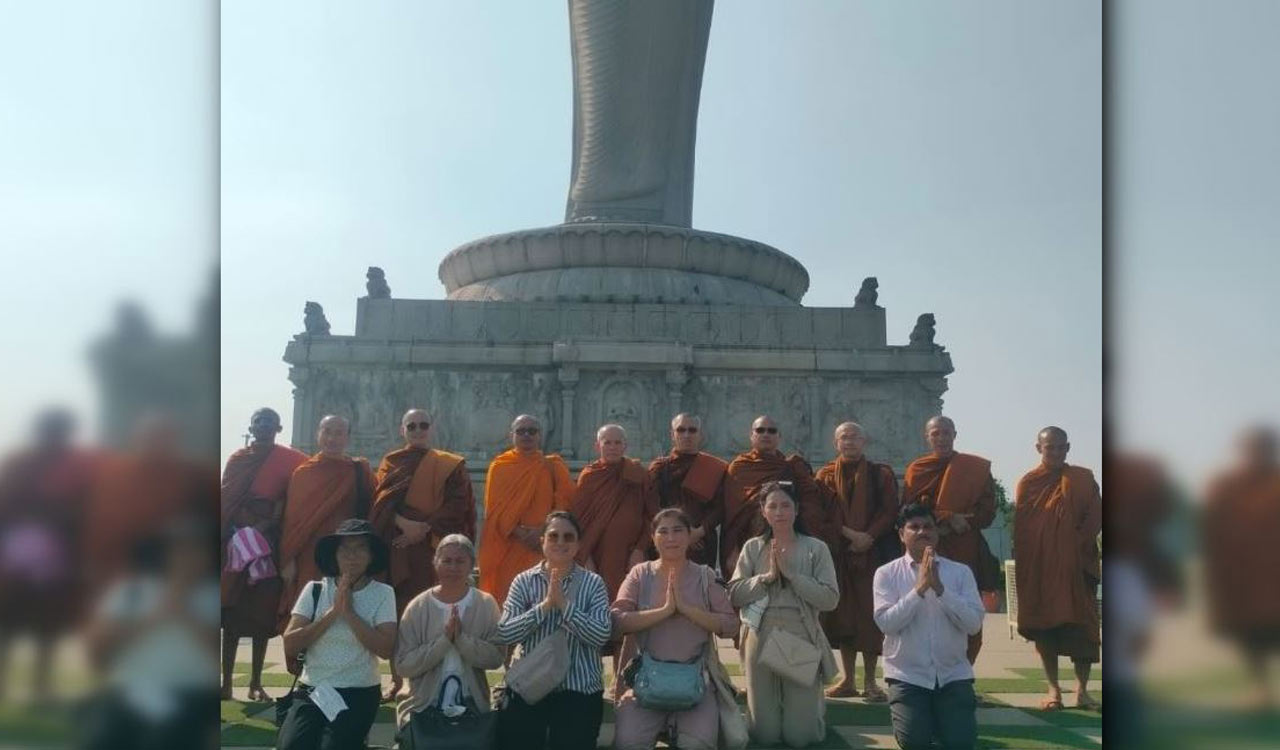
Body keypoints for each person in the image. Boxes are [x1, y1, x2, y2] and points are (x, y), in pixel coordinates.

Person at [79, 516, 221, 750]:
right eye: (180, 550)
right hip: (128, 695)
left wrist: (187, 615)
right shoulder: (131, 591)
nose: (187, 559)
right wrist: (152, 618)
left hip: (193, 699)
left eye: (196, 551)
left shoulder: (212, 595)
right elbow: (96, 652)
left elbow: (218, 658)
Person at [370, 408, 476, 701]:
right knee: (399, 615)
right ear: (402, 429)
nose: (418, 430)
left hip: (435, 551)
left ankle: (438, 676)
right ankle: (398, 679)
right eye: (411, 425)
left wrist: (424, 528)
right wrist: (405, 524)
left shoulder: (449, 464)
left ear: (432, 428)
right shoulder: (392, 462)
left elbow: (460, 505)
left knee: (434, 615)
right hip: (400, 548)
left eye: (423, 425)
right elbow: (380, 504)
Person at [612, 508, 738, 750]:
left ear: (690, 535)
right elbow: (617, 621)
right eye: (664, 531)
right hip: (647, 681)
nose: (671, 538)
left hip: (695, 681)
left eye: (678, 531)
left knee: (698, 744)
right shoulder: (640, 574)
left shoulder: (705, 576)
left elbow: (731, 625)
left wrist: (688, 610)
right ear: (653, 537)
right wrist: (664, 611)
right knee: (628, 743)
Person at [728, 481, 839, 748]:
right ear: (763, 511)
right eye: (773, 506)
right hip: (759, 630)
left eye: (786, 505)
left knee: (799, 738)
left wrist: (792, 576)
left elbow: (830, 599)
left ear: (797, 510)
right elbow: (734, 595)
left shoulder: (816, 548)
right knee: (764, 736)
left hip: (798, 631)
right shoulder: (753, 548)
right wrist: (765, 578)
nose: (779, 512)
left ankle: (812, 713)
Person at [0, 408, 98, 704]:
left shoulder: (75, 467)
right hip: (17, 554)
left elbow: (84, 508)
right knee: (9, 624)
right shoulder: (20, 463)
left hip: (58, 557)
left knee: (47, 628)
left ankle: (41, 689)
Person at [494, 511, 611, 750]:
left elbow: (600, 635)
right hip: (529, 686)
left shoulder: (593, 583)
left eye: (568, 537)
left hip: (578, 690)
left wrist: (565, 607)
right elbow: (505, 633)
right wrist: (545, 606)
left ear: (578, 544)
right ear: (542, 541)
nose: (560, 542)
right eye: (553, 536)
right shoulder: (523, 582)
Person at [276, 519, 397, 750]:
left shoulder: (383, 593)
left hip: (359, 690)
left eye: (360, 547)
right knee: (291, 746)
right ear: (335, 554)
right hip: (314, 689)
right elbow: (290, 644)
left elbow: (386, 648)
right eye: (345, 548)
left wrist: (349, 613)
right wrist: (333, 613)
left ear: (371, 555)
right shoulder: (315, 590)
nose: (352, 555)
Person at [873, 503, 985, 750]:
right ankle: (927, 722)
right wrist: (920, 590)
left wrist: (942, 590)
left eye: (928, 526)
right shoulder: (886, 574)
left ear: (937, 532)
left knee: (961, 743)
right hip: (907, 676)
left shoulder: (960, 573)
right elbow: (886, 624)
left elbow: (974, 625)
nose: (923, 532)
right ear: (901, 534)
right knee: (915, 742)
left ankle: (942, 721)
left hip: (953, 675)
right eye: (914, 527)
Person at [219, 407, 308, 701]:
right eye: (258, 420)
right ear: (252, 426)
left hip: (268, 544)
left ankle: (256, 682)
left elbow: (295, 498)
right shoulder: (238, 459)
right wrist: (238, 530)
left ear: (279, 428)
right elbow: (226, 499)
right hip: (236, 543)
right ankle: (226, 683)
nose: (263, 425)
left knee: (261, 617)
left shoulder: (292, 460)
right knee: (230, 617)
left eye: (269, 421)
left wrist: (267, 523)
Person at [1013, 426, 1101, 711]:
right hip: (1043, 571)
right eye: (1049, 447)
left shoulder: (1083, 478)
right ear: (1038, 448)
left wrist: (1073, 543)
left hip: (1078, 566)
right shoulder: (1029, 483)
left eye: (1061, 447)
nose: (1055, 452)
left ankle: (1083, 690)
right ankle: (1054, 690)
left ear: (1068, 448)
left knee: (1085, 630)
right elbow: (1024, 530)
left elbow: (1096, 515)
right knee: (1046, 629)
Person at [814, 421, 899, 701]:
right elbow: (822, 515)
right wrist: (850, 535)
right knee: (844, 618)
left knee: (871, 618)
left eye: (854, 437)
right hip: (840, 554)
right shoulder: (825, 476)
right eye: (843, 438)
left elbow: (889, 511)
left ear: (864, 442)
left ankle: (871, 682)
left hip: (872, 556)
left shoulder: (880, 474)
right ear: (835, 443)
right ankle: (848, 679)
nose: (849, 442)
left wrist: (868, 536)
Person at [901, 416, 995, 663]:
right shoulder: (917, 469)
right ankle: (926, 671)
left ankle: (964, 673)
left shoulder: (975, 469)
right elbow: (910, 510)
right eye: (935, 433)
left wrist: (965, 522)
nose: (941, 438)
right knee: (927, 606)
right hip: (928, 547)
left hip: (965, 546)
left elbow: (988, 512)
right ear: (927, 436)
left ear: (955, 434)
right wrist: (946, 517)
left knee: (965, 605)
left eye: (946, 433)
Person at [1203, 425, 1280, 711]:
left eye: (1263, 447)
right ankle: (1261, 689)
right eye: (1251, 449)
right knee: (1251, 637)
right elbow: (1213, 529)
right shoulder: (1227, 485)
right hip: (1245, 578)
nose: (1257, 454)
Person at [393, 533, 504, 730]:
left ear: (471, 565)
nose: (453, 568)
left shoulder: (485, 604)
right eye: (447, 561)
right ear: (435, 563)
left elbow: (496, 658)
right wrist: (444, 641)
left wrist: (461, 640)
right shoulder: (418, 607)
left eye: (460, 561)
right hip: (424, 704)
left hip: (472, 703)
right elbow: (403, 665)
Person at [572, 424, 659, 673]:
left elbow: (652, 517)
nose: (612, 447)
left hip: (629, 560)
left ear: (625, 446)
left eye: (617, 442)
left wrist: (641, 548)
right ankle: (591, 677)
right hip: (596, 560)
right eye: (607, 442)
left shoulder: (638, 474)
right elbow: (578, 520)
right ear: (597, 446)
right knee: (594, 615)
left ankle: (623, 678)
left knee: (627, 615)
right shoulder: (590, 477)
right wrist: (584, 556)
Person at [277, 416, 375, 634]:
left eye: (339, 433)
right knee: (310, 616)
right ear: (318, 434)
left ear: (348, 438)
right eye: (327, 431)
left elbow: (375, 508)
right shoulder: (303, 474)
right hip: (310, 558)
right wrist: (288, 560)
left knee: (350, 618)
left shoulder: (359, 471)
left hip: (349, 555)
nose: (332, 438)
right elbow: (292, 522)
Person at [722, 416, 836, 578]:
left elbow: (811, 503)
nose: (766, 434)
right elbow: (732, 515)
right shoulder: (739, 467)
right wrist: (732, 550)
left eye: (772, 431)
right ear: (751, 435)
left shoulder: (791, 466)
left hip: (789, 540)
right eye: (760, 430)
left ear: (779, 437)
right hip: (751, 542)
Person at [478, 415, 574, 607]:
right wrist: (521, 533)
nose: (527, 435)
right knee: (508, 600)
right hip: (510, 544)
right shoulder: (500, 467)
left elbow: (565, 503)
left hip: (544, 546)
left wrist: (542, 532)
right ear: (511, 435)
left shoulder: (552, 465)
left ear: (540, 436)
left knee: (542, 599)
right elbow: (494, 510)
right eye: (521, 431)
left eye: (532, 431)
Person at [648, 413, 727, 569]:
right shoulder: (660, 468)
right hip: (666, 539)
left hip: (701, 542)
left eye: (692, 430)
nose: (686, 435)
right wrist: (676, 533)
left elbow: (720, 507)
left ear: (700, 435)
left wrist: (697, 533)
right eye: (681, 430)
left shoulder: (713, 467)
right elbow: (651, 504)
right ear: (672, 434)